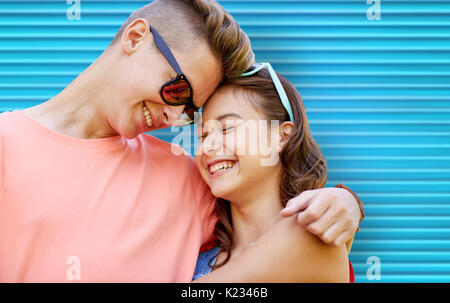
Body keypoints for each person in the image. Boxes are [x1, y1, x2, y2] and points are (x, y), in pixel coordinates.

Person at [0, 0, 363, 282]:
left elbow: (278, 220)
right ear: (136, 37)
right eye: (178, 90)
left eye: (189, 111)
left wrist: (346, 202)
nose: (174, 119)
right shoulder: (7, 145)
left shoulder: (187, 176)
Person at [192, 63, 355, 282]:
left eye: (227, 128)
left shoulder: (312, 236)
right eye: (202, 135)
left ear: (282, 137)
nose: (207, 146)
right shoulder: (196, 257)